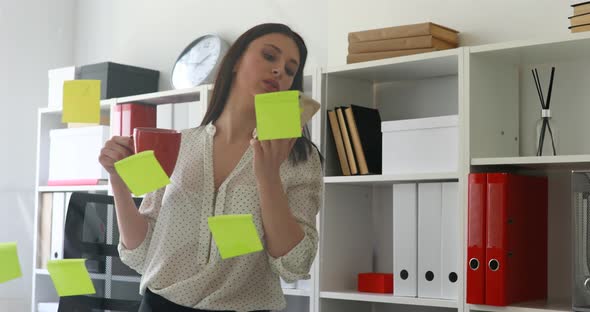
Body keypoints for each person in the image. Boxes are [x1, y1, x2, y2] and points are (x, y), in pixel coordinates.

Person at [98, 23, 323, 312]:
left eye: (290, 70)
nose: (280, 70)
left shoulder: (298, 160)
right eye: (269, 56)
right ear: (236, 61)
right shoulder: (177, 144)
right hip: (160, 305)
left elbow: (295, 263)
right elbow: (140, 252)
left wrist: (268, 177)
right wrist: (117, 178)